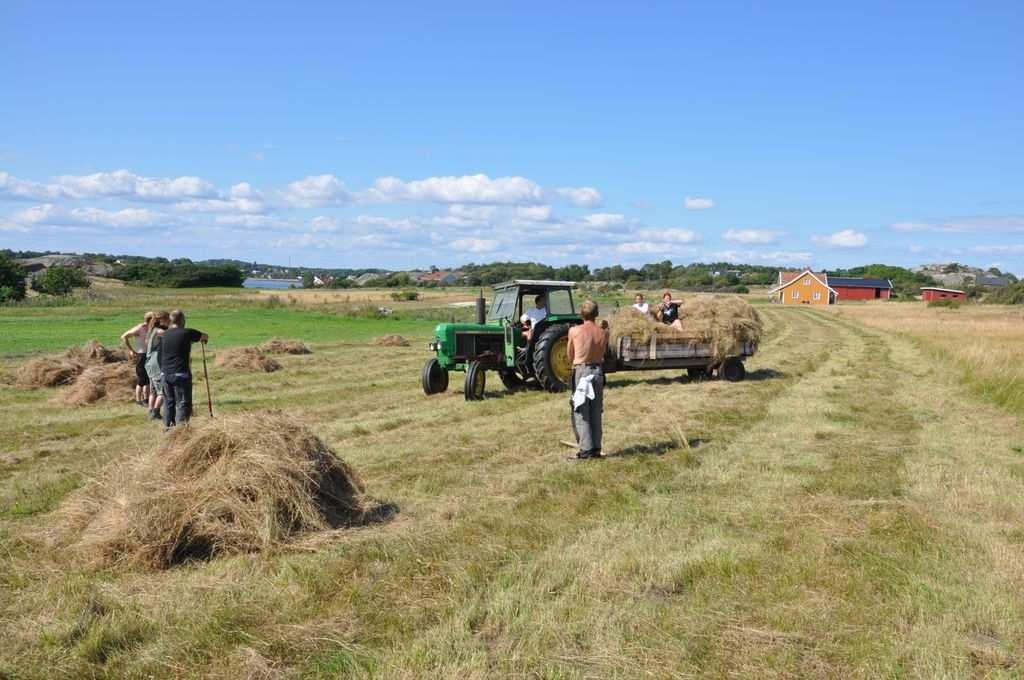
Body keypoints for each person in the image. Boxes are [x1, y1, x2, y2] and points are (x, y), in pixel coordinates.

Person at [567, 300, 608, 460]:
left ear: (581, 314)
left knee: (581, 412)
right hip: (598, 370)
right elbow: (603, 352)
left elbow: (570, 354)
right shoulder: (603, 332)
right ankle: (596, 449)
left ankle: (585, 451)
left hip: (582, 370)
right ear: (596, 314)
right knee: (596, 411)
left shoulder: (574, 331)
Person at [159, 309, 209, 429]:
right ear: (183, 320)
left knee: (169, 403)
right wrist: (204, 339)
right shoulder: (187, 332)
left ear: (171, 320)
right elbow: (205, 336)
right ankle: (180, 431)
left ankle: (168, 428)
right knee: (183, 403)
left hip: (165, 374)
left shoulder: (165, 334)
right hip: (180, 374)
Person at [121, 312, 153, 406]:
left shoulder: (151, 328)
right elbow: (124, 336)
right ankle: (139, 400)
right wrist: (132, 350)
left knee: (148, 378)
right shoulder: (140, 328)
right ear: (149, 320)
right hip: (141, 355)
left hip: (149, 354)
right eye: (154, 319)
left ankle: (146, 399)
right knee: (142, 379)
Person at [144, 310, 170, 420]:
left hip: (149, 364)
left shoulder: (151, 331)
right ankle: (155, 412)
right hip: (156, 365)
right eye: (168, 319)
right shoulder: (159, 331)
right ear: (161, 320)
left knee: (153, 391)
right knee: (162, 391)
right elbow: (172, 336)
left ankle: (151, 410)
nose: (169, 321)